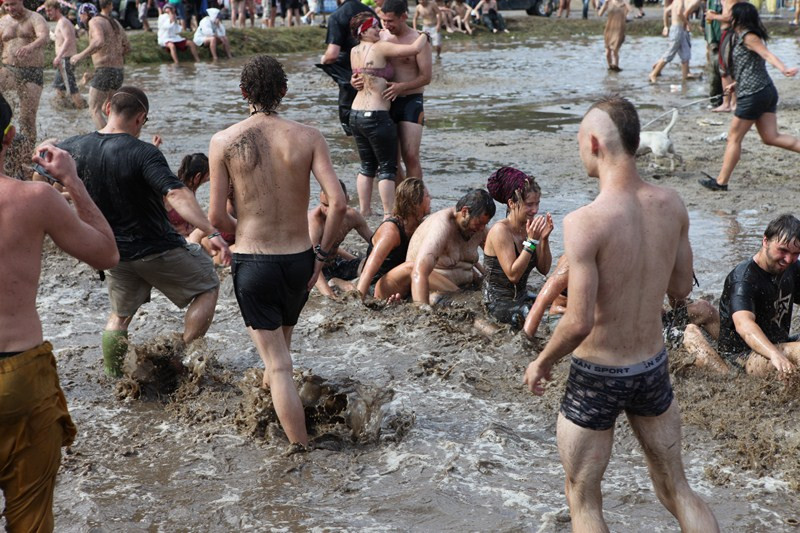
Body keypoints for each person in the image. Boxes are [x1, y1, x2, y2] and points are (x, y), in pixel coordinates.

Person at [523, 96, 719, 531]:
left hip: (598, 374)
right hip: (651, 367)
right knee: (676, 488)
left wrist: (542, 360)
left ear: (594, 142)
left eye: (578, 142)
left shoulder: (584, 222)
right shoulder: (673, 204)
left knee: (584, 498)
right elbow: (681, 289)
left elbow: (578, 322)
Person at [208, 55, 347, 449]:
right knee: (282, 348)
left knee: (279, 363)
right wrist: (321, 256)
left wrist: (244, 235)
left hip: (254, 261)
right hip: (300, 260)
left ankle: (299, 449)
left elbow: (217, 215)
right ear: (284, 91)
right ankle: (276, 415)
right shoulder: (308, 136)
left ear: (243, 93)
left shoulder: (224, 141)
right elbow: (337, 203)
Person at [0, 96, 119, 533]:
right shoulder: (34, 199)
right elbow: (107, 254)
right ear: (10, 137)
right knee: (30, 521)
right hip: (20, 377)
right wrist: (71, 180)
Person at [54, 87, 230, 378]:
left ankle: (114, 380)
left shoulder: (74, 147)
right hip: (157, 248)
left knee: (120, 318)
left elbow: (42, 172)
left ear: (108, 107)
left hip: (113, 253)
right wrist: (211, 231)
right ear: (141, 118)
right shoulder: (144, 152)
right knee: (208, 285)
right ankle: (180, 358)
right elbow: (175, 193)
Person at [699, 3, 800, 192]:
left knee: (733, 138)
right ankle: (721, 181)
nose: (728, 17)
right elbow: (752, 65)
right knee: (771, 137)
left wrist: (784, 68)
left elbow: (767, 55)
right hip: (763, 91)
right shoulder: (742, 36)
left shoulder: (748, 36)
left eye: (732, 15)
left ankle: (721, 182)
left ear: (739, 18)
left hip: (754, 94)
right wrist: (735, 84)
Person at [684, 214, 800, 378]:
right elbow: (744, 325)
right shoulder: (743, 279)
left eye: (796, 253)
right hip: (743, 358)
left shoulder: (792, 268)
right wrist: (775, 354)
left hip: (778, 342)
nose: (788, 259)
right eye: (783, 250)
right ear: (765, 241)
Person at [521, 255, 720, 344]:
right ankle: (725, 376)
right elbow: (541, 301)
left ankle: (734, 352)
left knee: (704, 309)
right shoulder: (576, 260)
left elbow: (676, 302)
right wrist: (527, 340)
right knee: (690, 335)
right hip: (573, 320)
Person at [349, 13, 428, 217]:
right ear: (363, 31)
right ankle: (387, 213)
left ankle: (364, 211)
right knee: (387, 168)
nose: (378, 30)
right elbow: (413, 48)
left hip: (355, 114)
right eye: (374, 27)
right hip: (376, 115)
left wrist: (353, 82)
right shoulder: (380, 47)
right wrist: (425, 34)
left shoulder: (353, 51)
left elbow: (359, 77)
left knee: (367, 166)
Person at [377, 189, 495, 304]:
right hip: (431, 291)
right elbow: (419, 272)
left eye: (485, 224)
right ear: (464, 212)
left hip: (464, 289)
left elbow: (498, 260)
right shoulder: (441, 227)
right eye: (479, 223)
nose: (481, 228)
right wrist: (422, 310)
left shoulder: (480, 229)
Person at [483, 167, 553, 329]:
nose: (535, 210)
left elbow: (544, 269)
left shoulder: (530, 228)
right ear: (512, 203)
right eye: (529, 205)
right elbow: (513, 274)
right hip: (497, 302)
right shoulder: (500, 231)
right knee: (527, 314)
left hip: (522, 297)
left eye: (537, 204)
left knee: (554, 300)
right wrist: (531, 241)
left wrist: (544, 239)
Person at [378, 0, 433, 180]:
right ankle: (402, 200)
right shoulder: (381, 36)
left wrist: (402, 86)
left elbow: (426, 77)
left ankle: (416, 202)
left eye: (390, 21)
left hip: (411, 101)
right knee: (391, 159)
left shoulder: (419, 39)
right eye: (384, 20)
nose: (386, 25)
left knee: (411, 156)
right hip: (386, 101)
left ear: (403, 17)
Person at [357, 177, 430, 299]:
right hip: (376, 286)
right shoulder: (391, 231)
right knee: (412, 267)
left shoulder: (421, 226)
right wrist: (358, 300)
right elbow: (369, 269)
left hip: (401, 283)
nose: (430, 199)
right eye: (427, 196)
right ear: (415, 203)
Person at [71, 0, 131, 129]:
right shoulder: (115, 22)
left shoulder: (94, 21)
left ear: (86, 14)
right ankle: (121, 135)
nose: (80, 18)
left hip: (105, 70)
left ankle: (108, 140)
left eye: (81, 15)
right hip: (118, 71)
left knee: (94, 109)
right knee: (108, 108)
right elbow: (127, 47)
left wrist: (79, 55)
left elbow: (99, 42)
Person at [308, 179, 373, 298]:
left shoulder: (352, 216)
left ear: (346, 200)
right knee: (346, 287)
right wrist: (329, 294)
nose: (327, 211)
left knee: (369, 264)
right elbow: (311, 264)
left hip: (336, 264)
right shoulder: (314, 223)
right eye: (324, 204)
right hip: (318, 272)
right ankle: (335, 282)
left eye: (332, 206)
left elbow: (376, 243)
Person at [320, 0, 376, 136]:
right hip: (374, 67)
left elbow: (332, 54)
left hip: (349, 72)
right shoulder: (369, 12)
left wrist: (323, 60)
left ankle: (351, 140)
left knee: (349, 116)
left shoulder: (337, 16)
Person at [0, 0, 49, 142]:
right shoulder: (3, 21)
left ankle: (27, 155)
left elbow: (44, 37)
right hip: (8, 69)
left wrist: (30, 47)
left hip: (32, 72)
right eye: (6, 5)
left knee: (27, 118)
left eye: (13, 4)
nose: (10, 8)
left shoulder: (35, 18)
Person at [46, 0, 87, 109]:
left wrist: (59, 56)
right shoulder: (61, 22)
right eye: (46, 11)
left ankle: (81, 112)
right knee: (59, 88)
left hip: (66, 60)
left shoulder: (63, 22)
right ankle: (67, 114)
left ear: (57, 10)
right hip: (64, 60)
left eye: (50, 10)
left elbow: (68, 40)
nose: (48, 13)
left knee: (72, 90)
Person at [648, 0, 698, 83]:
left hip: (680, 29)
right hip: (677, 29)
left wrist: (666, 26)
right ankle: (653, 73)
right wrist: (687, 23)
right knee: (670, 52)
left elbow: (666, 12)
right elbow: (679, 12)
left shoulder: (675, 1)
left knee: (686, 53)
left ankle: (685, 77)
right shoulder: (679, 1)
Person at [703, 0, 724, 109]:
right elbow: (707, 18)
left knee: (725, 71)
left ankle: (727, 100)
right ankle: (715, 100)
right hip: (714, 39)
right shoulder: (710, 2)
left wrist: (714, 17)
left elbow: (731, 15)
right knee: (715, 71)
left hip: (724, 37)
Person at [599, 0, 629, 72]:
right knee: (607, 52)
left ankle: (616, 66)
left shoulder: (624, 4)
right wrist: (604, 5)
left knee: (615, 50)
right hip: (609, 29)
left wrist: (627, 4)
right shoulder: (608, 2)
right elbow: (600, 14)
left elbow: (630, 13)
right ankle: (610, 66)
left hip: (619, 29)